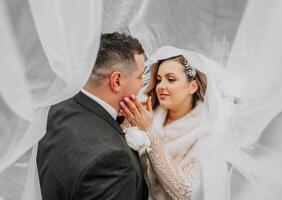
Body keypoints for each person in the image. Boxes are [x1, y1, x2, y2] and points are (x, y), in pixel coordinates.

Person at [37, 32, 148, 200]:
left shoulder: (59, 107)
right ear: (116, 81)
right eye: (140, 77)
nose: (143, 85)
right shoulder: (114, 161)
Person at [120, 46, 233, 200]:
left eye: (171, 79)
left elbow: (187, 192)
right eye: (159, 79)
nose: (161, 86)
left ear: (192, 86)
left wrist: (151, 133)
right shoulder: (147, 111)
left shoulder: (206, 132)